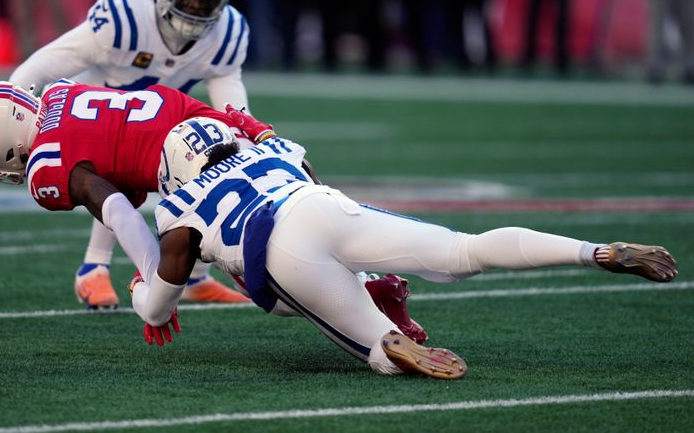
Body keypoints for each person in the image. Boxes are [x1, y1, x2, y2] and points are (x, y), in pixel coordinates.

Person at [127, 110, 677, 378]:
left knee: (375, 348)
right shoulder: (274, 151)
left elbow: (157, 309)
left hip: (276, 249)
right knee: (467, 249)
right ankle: (594, 251)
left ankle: (386, 337)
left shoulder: (178, 205)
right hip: (322, 206)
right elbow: (309, 176)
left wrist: (141, 284)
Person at [0, 80, 428, 343]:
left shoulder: (45, 166)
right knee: (314, 211)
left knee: (274, 284)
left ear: (4, 145)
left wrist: (154, 278)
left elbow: (116, 208)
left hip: (187, 166)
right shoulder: (60, 94)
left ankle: (369, 295)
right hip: (210, 125)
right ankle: (375, 276)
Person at [0, 0, 257, 309]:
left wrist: (246, 143)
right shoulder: (126, 12)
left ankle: (195, 277)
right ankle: (94, 269)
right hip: (97, 100)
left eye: (205, 2)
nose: (195, 10)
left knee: (202, 159)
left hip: (163, 109)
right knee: (109, 172)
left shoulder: (227, 32)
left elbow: (233, 108)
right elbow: (51, 60)